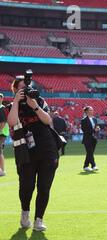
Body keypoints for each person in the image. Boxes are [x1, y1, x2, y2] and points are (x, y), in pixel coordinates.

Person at [1, 76, 59, 231]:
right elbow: (12, 123)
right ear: (14, 91)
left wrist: (34, 106)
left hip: (47, 147)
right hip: (25, 150)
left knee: (44, 186)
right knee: (26, 186)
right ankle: (25, 211)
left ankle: (39, 219)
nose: (25, 91)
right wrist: (16, 102)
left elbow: (48, 121)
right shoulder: (12, 106)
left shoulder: (39, 101)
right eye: (21, 89)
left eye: (27, 88)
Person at [81, 106, 99, 172]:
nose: (92, 111)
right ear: (86, 111)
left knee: (90, 153)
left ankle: (85, 166)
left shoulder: (95, 119)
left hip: (94, 138)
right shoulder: (83, 120)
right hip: (87, 139)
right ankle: (94, 165)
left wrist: (97, 129)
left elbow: (96, 127)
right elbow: (84, 130)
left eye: (92, 110)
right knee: (90, 152)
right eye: (90, 110)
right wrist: (94, 130)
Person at [0, 93, 9, 177]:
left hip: (2, 133)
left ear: (2, 99)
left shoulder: (2, 109)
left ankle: (2, 171)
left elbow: (2, 123)